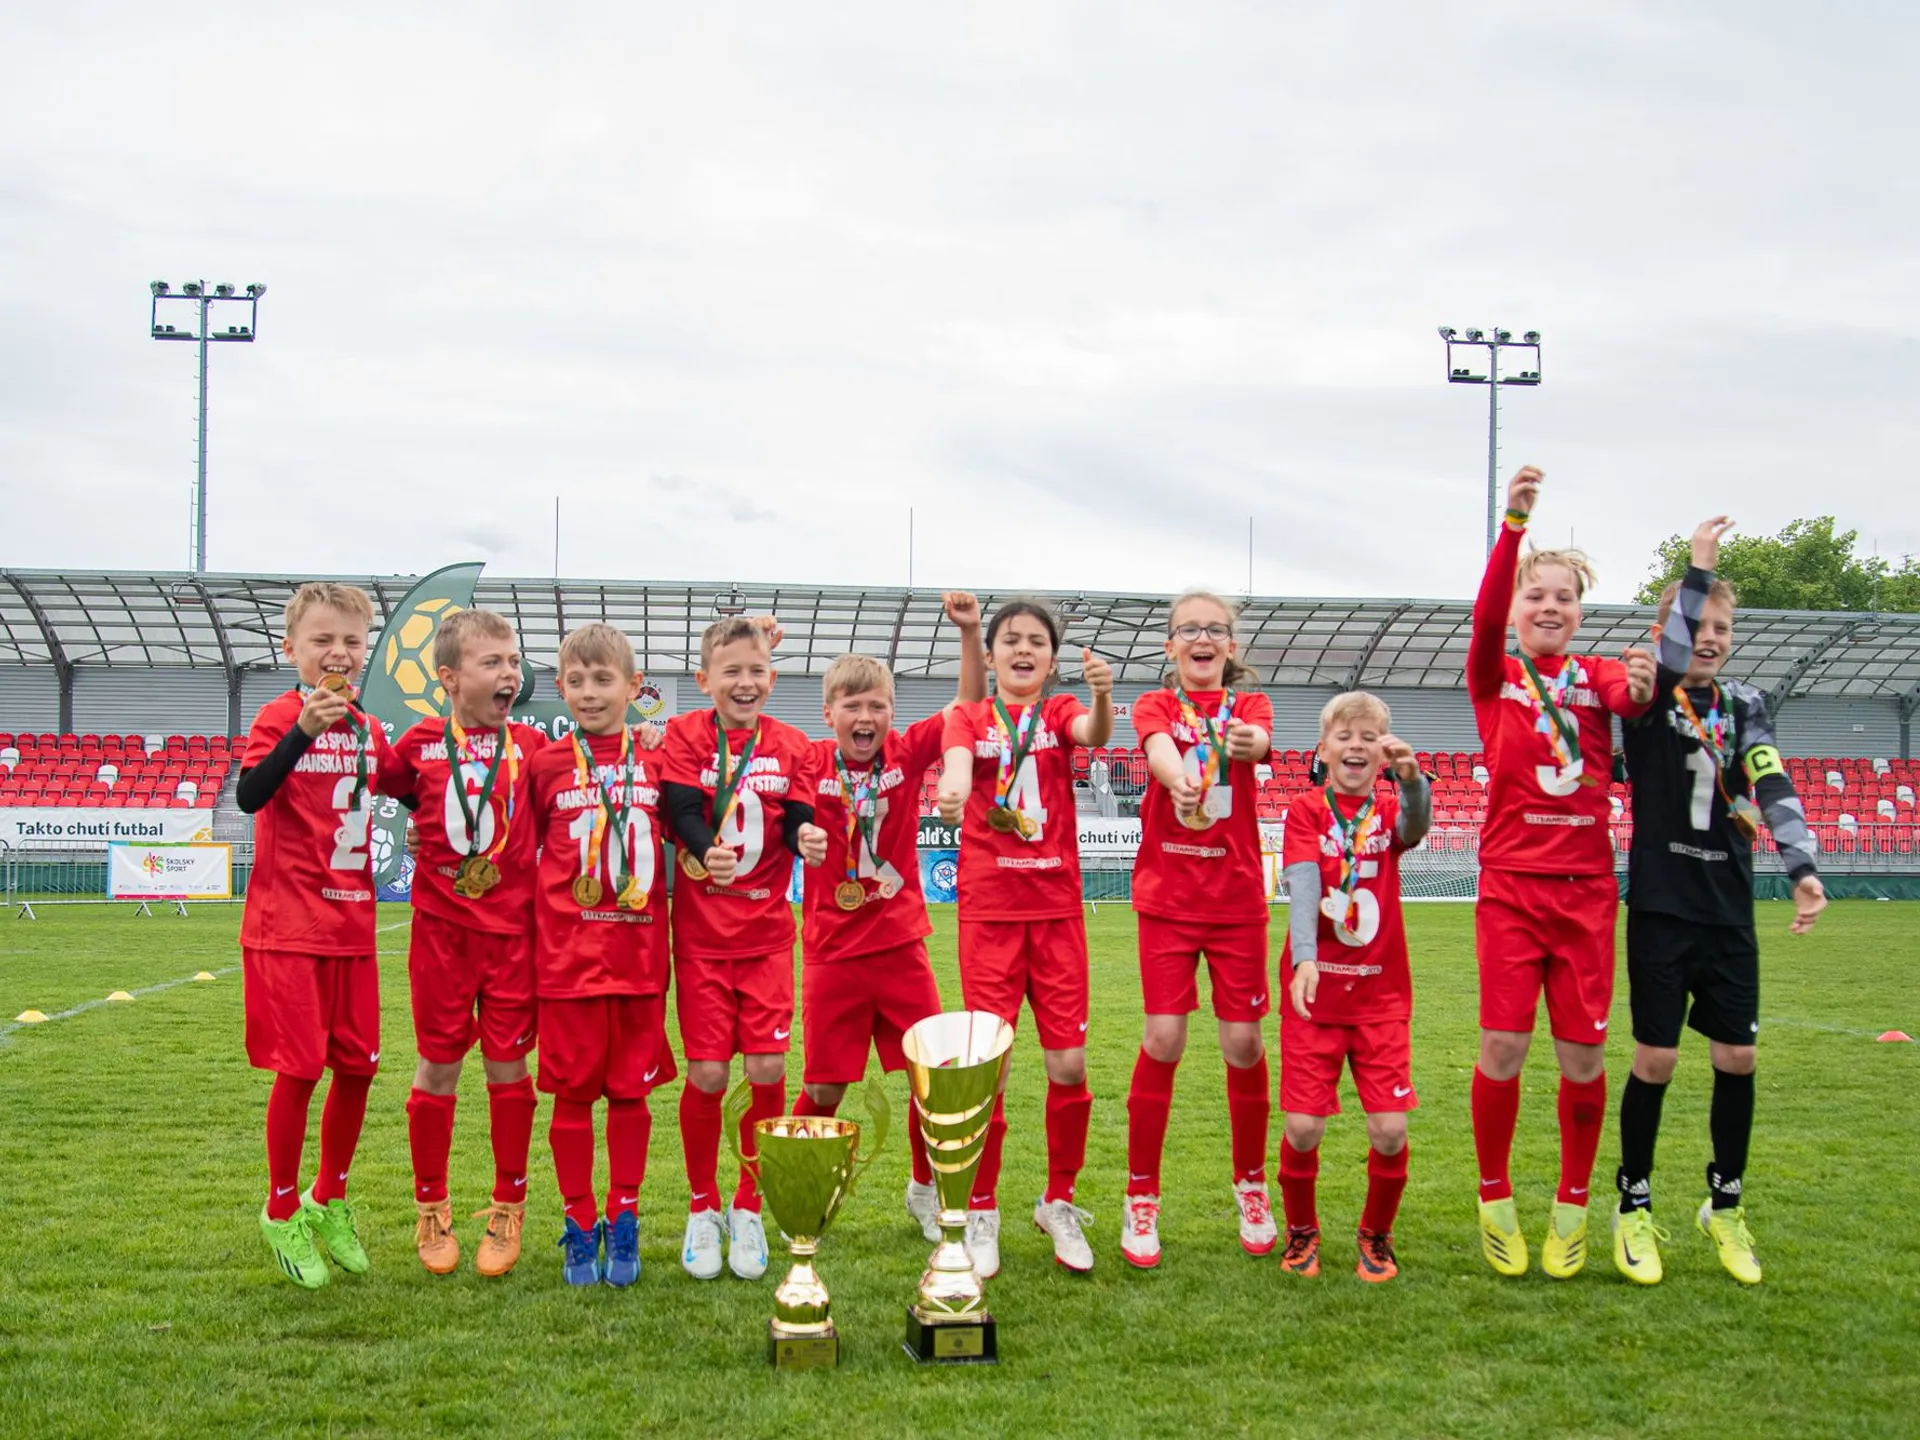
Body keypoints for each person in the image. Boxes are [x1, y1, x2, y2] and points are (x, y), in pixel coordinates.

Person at [1613, 516, 1826, 1286]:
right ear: (1670, 629)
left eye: (1722, 627)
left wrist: (1801, 866)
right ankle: (1633, 1205)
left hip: (1729, 908)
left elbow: (1772, 782)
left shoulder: (1747, 705)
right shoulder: (1648, 694)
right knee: (1659, 1058)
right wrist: (1697, 566)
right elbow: (1670, 658)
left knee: (1738, 1056)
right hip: (1664, 905)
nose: (1709, 637)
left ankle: (1724, 1206)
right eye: (1697, 623)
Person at [1466, 467, 1656, 1279]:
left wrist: (1641, 679)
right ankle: (1495, 1196)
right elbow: (1479, 622)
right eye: (1534, 596)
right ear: (1514, 609)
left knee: (1582, 1059)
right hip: (1511, 888)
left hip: (1584, 896)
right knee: (1503, 1047)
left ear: (1580, 613)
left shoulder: (1599, 681)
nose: (1548, 607)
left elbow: (1634, 695)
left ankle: (1572, 1204)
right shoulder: (1496, 678)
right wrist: (1514, 524)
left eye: (1563, 598)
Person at [793, 594, 986, 1244]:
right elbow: (750, 761)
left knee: (930, 1081)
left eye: (877, 705)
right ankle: (802, 1191)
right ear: (830, 714)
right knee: (822, 1088)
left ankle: (924, 1189)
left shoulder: (906, 754)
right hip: (831, 954)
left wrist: (970, 633)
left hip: (902, 946)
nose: (866, 715)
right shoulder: (810, 763)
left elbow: (968, 707)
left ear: (891, 714)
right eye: (853, 705)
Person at [936, 598, 1114, 1275]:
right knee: (992, 1069)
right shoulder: (969, 715)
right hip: (991, 915)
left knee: (1068, 1065)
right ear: (991, 654)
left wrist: (1101, 698)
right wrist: (952, 791)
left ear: (1051, 659)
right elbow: (956, 762)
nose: (1022, 649)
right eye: (1009, 639)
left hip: (1057, 913)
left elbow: (1093, 735)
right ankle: (981, 1208)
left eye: (1035, 641)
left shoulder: (1062, 708)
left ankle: (1058, 1201)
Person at [237, 583, 397, 1288]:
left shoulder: (368, 727)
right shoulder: (278, 718)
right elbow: (250, 795)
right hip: (289, 927)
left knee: (359, 1067)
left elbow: (405, 785)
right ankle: (279, 1208)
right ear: (292, 650)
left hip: (352, 925)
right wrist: (304, 728)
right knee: (299, 1069)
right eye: (322, 641)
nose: (338, 653)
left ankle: (328, 1197)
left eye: (352, 642)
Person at [380, 609, 548, 1278]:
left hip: (513, 939)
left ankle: (508, 1205)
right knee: (437, 1069)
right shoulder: (418, 743)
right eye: (492, 663)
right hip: (443, 938)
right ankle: (431, 1206)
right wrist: (422, 832)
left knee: (510, 1073)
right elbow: (397, 792)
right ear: (449, 678)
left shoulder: (533, 748)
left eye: (513, 661)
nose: (509, 673)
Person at [660, 617, 826, 1282]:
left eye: (756, 671)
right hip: (701, 942)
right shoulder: (683, 735)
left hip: (764, 941)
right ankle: (703, 1207)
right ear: (704, 681)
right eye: (730, 671)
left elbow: (796, 817)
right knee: (707, 1076)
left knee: (764, 1069)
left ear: (772, 679)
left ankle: (750, 1204)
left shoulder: (792, 745)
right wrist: (706, 851)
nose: (745, 682)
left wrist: (807, 839)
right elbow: (678, 807)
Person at [1120, 590, 1277, 1268]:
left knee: (1243, 1042)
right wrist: (1180, 777)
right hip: (1168, 899)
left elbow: (1262, 741)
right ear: (1171, 645)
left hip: (1237, 900)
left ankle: (1251, 1183)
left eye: (1216, 630)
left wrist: (1250, 744)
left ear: (1232, 648)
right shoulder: (1155, 705)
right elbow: (1157, 745)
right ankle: (1141, 1195)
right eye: (1190, 629)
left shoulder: (1249, 708)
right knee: (1164, 1036)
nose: (1203, 639)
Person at [528, 624, 676, 1287]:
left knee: (629, 1097)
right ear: (561, 688)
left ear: (634, 688)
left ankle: (625, 1215)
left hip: (640, 961)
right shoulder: (545, 766)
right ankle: (579, 1223)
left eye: (604, 679)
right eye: (578, 681)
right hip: (566, 965)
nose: (591, 693)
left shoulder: (662, 759)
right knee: (572, 1098)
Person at [1276, 693, 1431, 1282]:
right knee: (1303, 1126)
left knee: (1390, 1129)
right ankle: (1301, 1231)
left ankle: (1376, 1234)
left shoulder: (1390, 806)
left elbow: (1415, 827)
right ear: (1323, 749)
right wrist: (1306, 958)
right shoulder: (1305, 810)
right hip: (1315, 993)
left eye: (1370, 736)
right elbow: (1306, 884)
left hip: (1381, 997)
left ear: (1384, 751)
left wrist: (1414, 780)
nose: (1357, 745)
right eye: (1344, 736)